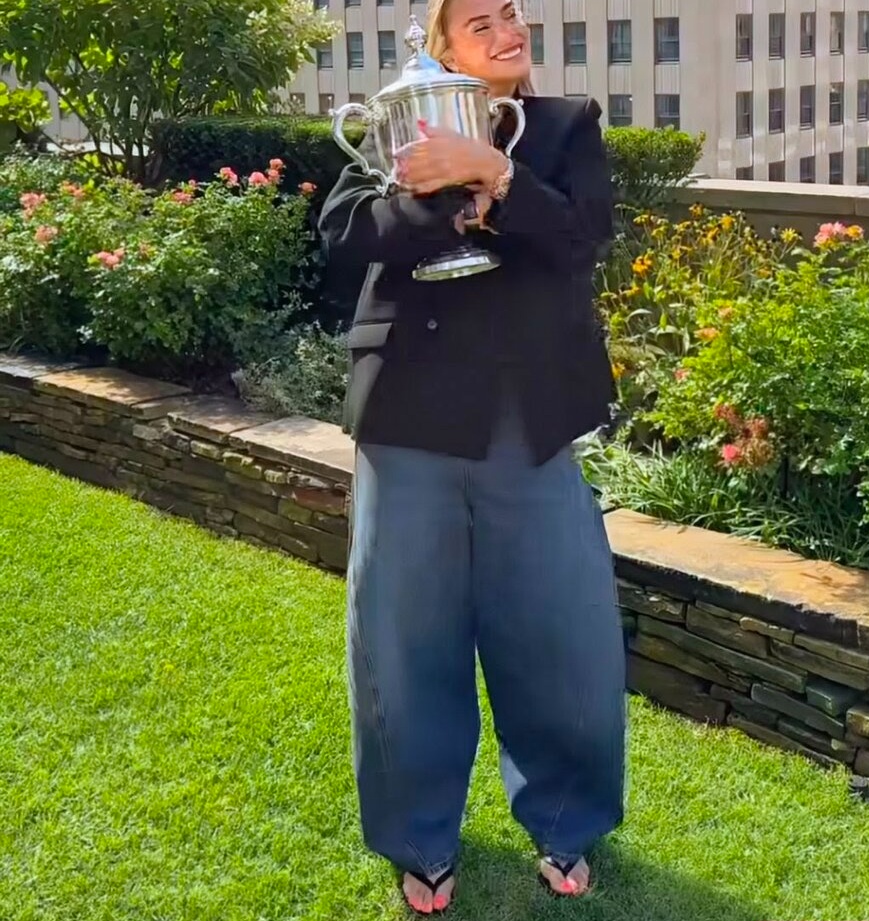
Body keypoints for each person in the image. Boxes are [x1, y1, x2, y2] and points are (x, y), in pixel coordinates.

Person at [318, 0, 626, 913]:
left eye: (512, 14)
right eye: (480, 23)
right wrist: (432, 189)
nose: (507, 31)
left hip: (531, 419)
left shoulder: (564, 128)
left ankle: (566, 821)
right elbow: (345, 235)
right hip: (406, 417)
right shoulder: (396, 123)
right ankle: (420, 838)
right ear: (443, 50)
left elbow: (583, 235)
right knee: (405, 639)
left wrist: (496, 171)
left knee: (561, 633)